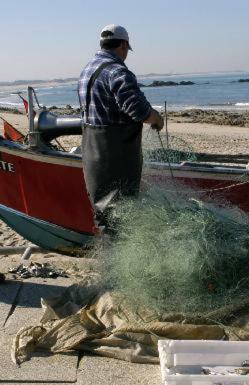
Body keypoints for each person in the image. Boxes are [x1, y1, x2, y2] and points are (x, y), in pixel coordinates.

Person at [78, 24, 164, 237]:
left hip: (92, 156)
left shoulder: (86, 70)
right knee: (120, 215)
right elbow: (138, 110)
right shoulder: (117, 72)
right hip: (116, 159)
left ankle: (109, 265)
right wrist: (157, 119)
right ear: (123, 45)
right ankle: (119, 268)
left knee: (103, 214)